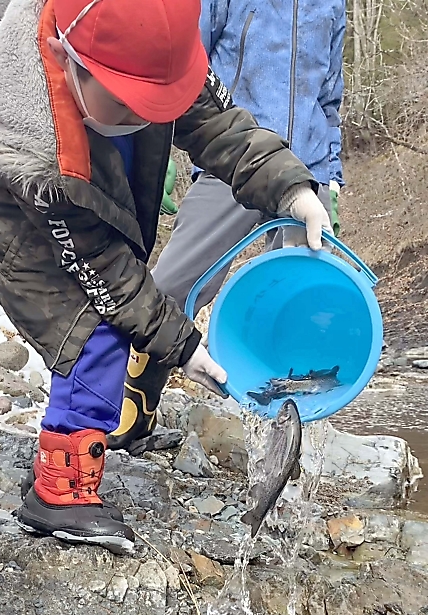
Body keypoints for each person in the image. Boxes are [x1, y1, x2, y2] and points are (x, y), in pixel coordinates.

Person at [0, 0, 330, 555]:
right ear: (66, 57)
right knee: (90, 331)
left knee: (116, 316)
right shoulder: (31, 134)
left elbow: (219, 125)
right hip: (20, 220)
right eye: (129, 103)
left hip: (96, 165)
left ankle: (73, 450)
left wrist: (291, 187)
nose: (146, 115)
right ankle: (58, 491)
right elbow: (106, 273)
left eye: (159, 105)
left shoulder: (154, 51)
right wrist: (181, 346)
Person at [109, 0, 346, 453]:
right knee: (171, 285)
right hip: (233, 160)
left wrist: (330, 176)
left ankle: (289, 439)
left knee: (301, 305)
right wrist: (159, 148)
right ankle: (133, 407)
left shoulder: (333, 5)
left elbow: (329, 98)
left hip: (307, 170)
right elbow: (184, 68)